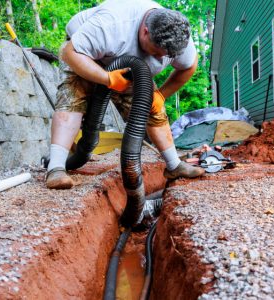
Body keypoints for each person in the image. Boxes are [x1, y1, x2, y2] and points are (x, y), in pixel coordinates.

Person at [46, 0, 205, 189]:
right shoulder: (111, 25)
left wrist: (161, 95)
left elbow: (189, 67)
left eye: (165, 56)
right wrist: (107, 78)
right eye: (156, 53)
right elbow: (70, 53)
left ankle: (174, 165)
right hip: (85, 54)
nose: (160, 59)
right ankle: (55, 169)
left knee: (152, 106)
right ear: (145, 31)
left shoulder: (178, 37)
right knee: (72, 97)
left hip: (131, 66)